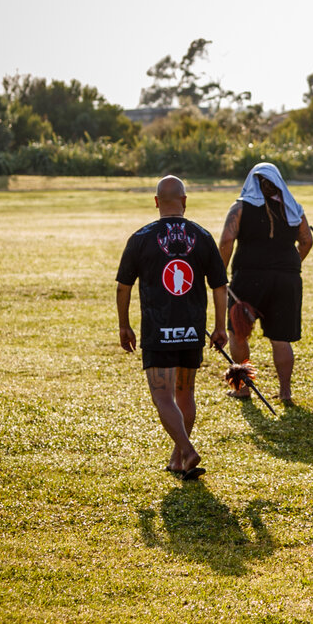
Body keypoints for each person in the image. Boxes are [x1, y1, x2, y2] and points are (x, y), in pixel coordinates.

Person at [117, 175, 229, 478]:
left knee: (163, 396)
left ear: (156, 202)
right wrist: (221, 327)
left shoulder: (141, 237)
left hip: (158, 329)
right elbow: (220, 287)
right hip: (191, 329)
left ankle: (187, 450)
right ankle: (178, 459)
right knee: (185, 392)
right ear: (184, 201)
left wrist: (124, 325)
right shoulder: (202, 236)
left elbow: (123, 287)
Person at [218, 161, 312, 404]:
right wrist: (291, 264)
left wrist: (221, 273)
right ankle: (285, 393)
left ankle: (242, 389)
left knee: (238, 334)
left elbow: (227, 239)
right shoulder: (293, 209)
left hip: (249, 277)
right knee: (281, 339)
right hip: (287, 280)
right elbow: (306, 241)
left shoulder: (240, 208)